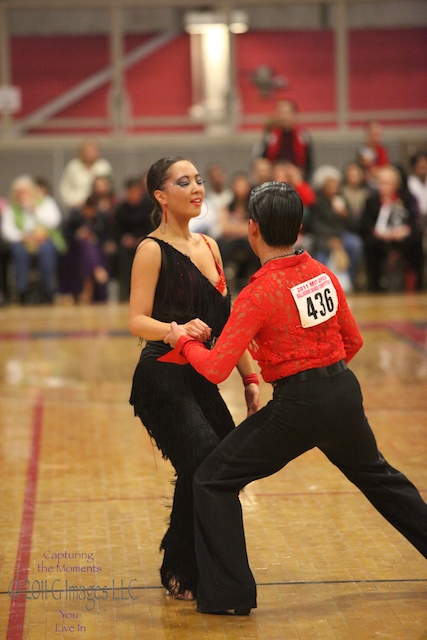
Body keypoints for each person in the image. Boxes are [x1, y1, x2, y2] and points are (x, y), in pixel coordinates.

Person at [164, 181, 427, 616]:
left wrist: (182, 339)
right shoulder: (322, 273)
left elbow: (214, 368)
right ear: (300, 228)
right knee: (382, 480)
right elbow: (353, 341)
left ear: (251, 229)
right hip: (342, 392)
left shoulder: (257, 294)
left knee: (211, 480)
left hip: (299, 405)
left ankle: (229, 597)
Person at [128, 156, 259, 601]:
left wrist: (250, 379)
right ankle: (183, 566)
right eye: (184, 182)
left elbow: (228, 325)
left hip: (202, 379)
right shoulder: (150, 249)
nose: (197, 188)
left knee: (221, 464)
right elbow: (135, 320)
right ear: (161, 196)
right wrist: (174, 330)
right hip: (161, 379)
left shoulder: (210, 246)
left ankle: (195, 562)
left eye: (199, 180)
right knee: (203, 457)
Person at [1, 175, 65, 304]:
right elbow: (7, 231)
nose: (24, 195)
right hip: (22, 242)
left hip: (43, 239)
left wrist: (34, 210)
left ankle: (48, 289)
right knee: (18, 251)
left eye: (26, 192)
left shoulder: (46, 202)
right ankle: (22, 290)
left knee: (47, 250)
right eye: (20, 193)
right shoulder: (11, 208)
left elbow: (54, 221)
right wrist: (23, 237)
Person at [360, 164, 424, 292]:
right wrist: (379, 233)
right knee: (370, 245)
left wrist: (404, 231)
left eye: (388, 183)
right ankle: (375, 286)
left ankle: (417, 285)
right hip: (380, 237)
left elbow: (414, 221)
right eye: (381, 183)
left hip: (402, 236)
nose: (384, 187)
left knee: (415, 243)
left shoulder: (406, 198)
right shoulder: (371, 201)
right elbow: (366, 224)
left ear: (395, 184)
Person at [114, 176, 154, 301]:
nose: (133, 195)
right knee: (122, 255)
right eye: (130, 192)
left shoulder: (150, 206)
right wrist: (125, 238)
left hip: (147, 242)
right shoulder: (121, 209)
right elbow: (116, 230)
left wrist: (142, 239)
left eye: (135, 191)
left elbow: (154, 227)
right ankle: (126, 293)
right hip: (127, 245)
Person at [256, 99, 313, 179]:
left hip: (296, 177)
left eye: (286, 113)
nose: (284, 116)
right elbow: (260, 159)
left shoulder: (302, 135)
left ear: (294, 114)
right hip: (273, 177)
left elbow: (309, 163)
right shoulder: (270, 135)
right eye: (280, 113)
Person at [59, 139, 113, 211]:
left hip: (98, 207)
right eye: (87, 152)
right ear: (82, 152)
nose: (90, 154)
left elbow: (110, 188)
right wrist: (70, 202)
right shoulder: (73, 166)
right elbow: (65, 187)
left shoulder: (103, 166)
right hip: (77, 206)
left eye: (93, 151)